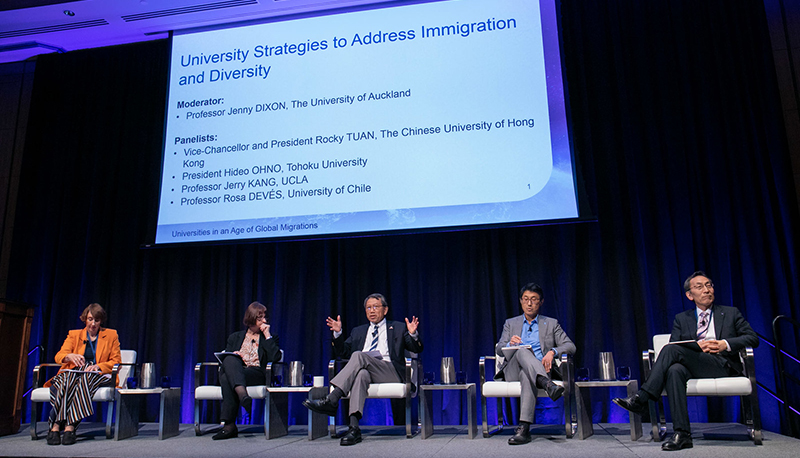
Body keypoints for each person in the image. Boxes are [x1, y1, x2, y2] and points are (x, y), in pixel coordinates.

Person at [613, 271, 759, 451]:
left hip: (722, 364)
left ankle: (642, 398)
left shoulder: (730, 313)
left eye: (709, 285)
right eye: (699, 287)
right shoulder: (682, 319)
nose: (706, 290)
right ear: (690, 295)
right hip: (694, 363)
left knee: (670, 350)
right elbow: (677, 346)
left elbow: (752, 338)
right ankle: (682, 434)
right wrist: (697, 347)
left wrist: (725, 344)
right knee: (674, 370)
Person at [303, 293, 423, 446]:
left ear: (385, 310)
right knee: (361, 374)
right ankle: (354, 428)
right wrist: (338, 334)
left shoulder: (398, 327)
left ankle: (333, 398)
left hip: (391, 372)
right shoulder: (358, 331)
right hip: (367, 370)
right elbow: (343, 353)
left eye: (375, 307)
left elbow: (417, 349)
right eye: (368, 308)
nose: (372, 311)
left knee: (359, 356)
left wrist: (413, 334)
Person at [494, 282, 576, 445]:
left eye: (533, 299)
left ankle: (523, 429)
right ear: (521, 301)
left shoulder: (551, 323)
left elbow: (570, 346)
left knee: (527, 374)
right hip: (512, 371)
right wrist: (510, 344)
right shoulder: (511, 323)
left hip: (539, 369)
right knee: (522, 350)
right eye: (526, 299)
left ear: (541, 302)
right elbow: (498, 348)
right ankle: (547, 384)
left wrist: (552, 351)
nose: (529, 303)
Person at [44, 303, 121, 446]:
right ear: (85, 319)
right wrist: (69, 356)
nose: (93, 323)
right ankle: (60, 426)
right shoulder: (74, 335)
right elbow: (59, 356)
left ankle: (65, 426)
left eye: (96, 320)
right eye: (90, 319)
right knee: (66, 381)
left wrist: (98, 366)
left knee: (83, 380)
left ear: (101, 321)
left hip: (97, 374)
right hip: (73, 373)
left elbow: (116, 361)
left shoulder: (111, 335)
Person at [212, 301, 282, 440]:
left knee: (227, 377)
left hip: (257, 373)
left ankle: (229, 426)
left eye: (264, 317)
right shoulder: (235, 337)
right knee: (230, 361)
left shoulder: (270, 337)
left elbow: (275, 357)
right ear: (251, 318)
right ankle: (243, 395)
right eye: (260, 317)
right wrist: (236, 354)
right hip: (238, 370)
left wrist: (267, 336)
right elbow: (227, 359)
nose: (264, 320)